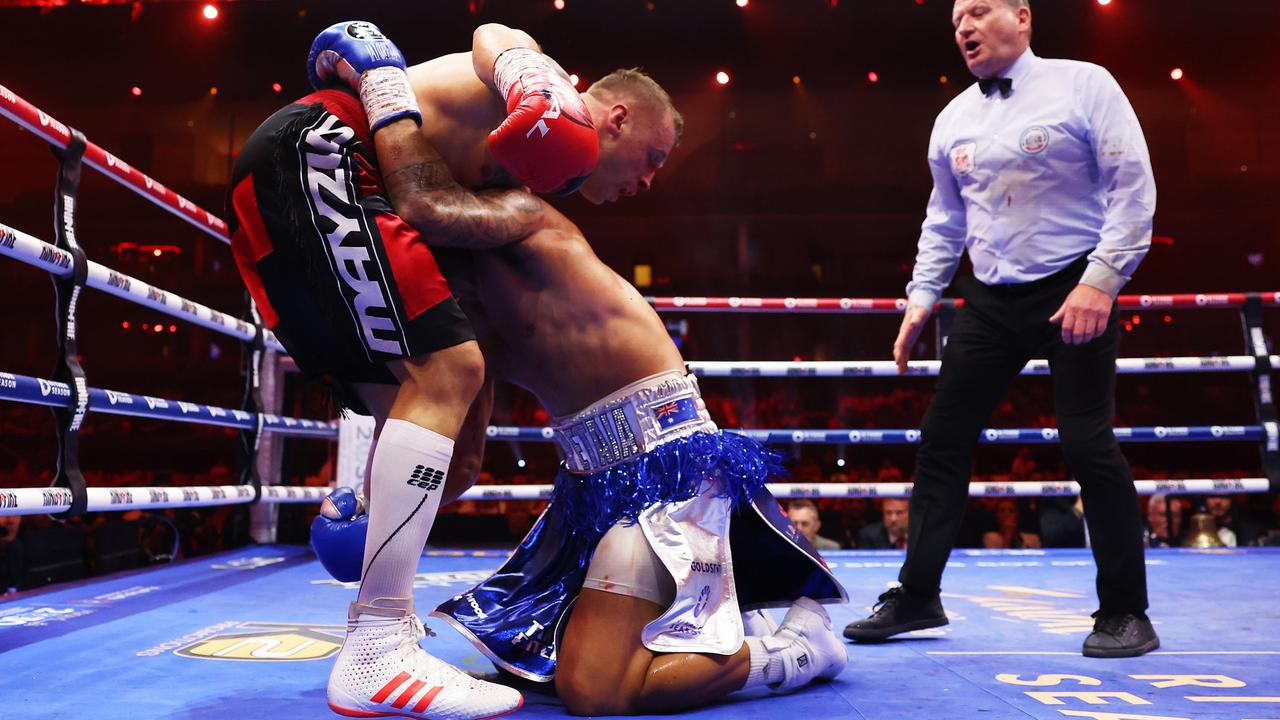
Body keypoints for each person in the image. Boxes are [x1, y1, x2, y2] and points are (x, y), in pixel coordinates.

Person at [306, 29, 850, 718]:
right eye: (651, 158)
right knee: (548, 675)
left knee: (596, 692)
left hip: (668, 470)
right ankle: (718, 619)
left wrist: (384, 86)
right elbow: (465, 458)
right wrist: (371, 511)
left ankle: (799, 650)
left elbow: (422, 203)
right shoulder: (451, 323)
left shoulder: (528, 218)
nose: (649, 180)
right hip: (592, 483)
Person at [230, 20, 608, 719]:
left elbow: (431, 229)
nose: (645, 182)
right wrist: (534, 75)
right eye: (653, 158)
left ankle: (385, 616)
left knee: (441, 400)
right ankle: (376, 644)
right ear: (616, 117)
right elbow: (497, 32)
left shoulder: (506, 187)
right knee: (446, 372)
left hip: (307, 181)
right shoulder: (551, 106)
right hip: (324, 151)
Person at [843, 0, 1159, 659]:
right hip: (988, 298)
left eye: (979, 11)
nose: (963, 26)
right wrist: (921, 297)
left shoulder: (1084, 84)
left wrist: (1101, 281)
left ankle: (1127, 613)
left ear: (1023, 16)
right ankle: (918, 595)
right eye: (957, 17)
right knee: (942, 439)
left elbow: (1133, 183)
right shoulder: (953, 117)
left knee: (1087, 444)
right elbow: (945, 218)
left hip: (1072, 284)